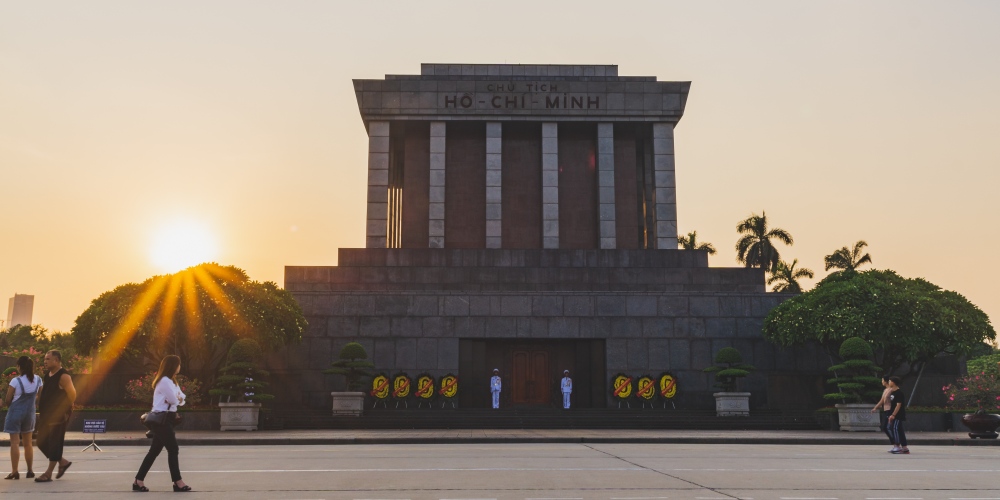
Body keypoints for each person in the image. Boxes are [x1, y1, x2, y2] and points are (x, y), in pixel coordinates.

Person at [134, 355, 191, 492]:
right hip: (161, 420)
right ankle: (178, 482)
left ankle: (138, 481)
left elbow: (182, 399)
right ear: (172, 365)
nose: (180, 367)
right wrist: (176, 398)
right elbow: (174, 400)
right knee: (173, 449)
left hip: (168, 419)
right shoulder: (164, 381)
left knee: (154, 451)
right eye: (178, 364)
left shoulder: (172, 381)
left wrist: (176, 398)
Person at [35, 350, 76, 483]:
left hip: (58, 416)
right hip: (46, 415)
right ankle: (62, 462)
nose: (45, 361)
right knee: (41, 442)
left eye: (48, 359)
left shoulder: (63, 376)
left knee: (54, 443)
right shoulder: (48, 375)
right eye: (45, 359)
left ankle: (48, 473)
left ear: (56, 360)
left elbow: (72, 394)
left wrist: (65, 410)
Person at [3, 356, 41, 480]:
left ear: (19, 367)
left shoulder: (15, 381)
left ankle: (15, 472)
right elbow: (39, 397)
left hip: (15, 413)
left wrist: (11, 407)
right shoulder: (38, 380)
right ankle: (30, 470)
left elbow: (8, 399)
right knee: (28, 444)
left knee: (14, 443)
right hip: (30, 413)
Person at [887, 376, 910, 454]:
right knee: (899, 430)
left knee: (895, 429)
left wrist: (893, 415)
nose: (888, 382)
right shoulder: (892, 392)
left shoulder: (899, 393)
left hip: (898, 415)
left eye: (889, 381)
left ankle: (897, 446)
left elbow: (898, 405)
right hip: (893, 414)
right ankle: (904, 447)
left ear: (893, 382)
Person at [870, 376, 894, 446]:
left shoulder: (891, 390)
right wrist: (875, 408)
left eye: (882, 380)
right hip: (886, 410)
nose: (882, 382)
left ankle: (895, 443)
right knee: (887, 427)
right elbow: (882, 400)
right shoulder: (885, 390)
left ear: (886, 381)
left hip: (890, 410)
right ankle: (894, 443)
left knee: (887, 427)